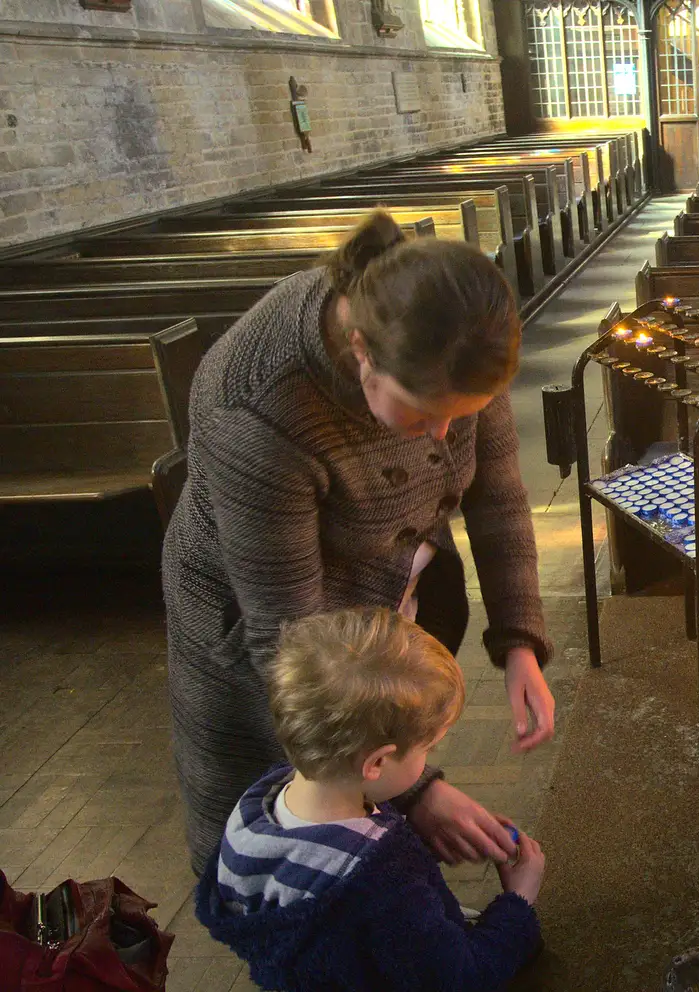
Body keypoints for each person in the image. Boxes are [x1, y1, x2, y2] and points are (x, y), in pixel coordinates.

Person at [163, 212, 556, 875]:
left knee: (385, 789)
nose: (441, 436)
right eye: (422, 414)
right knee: (305, 835)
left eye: (460, 415)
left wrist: (519, 640)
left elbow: (498, 496)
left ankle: (398, 917)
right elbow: (296, 650)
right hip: (266, 640)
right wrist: (416, 789)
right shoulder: (259, 406)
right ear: (360, 352)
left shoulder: (458, 330)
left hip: (377, 596)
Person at [195, 609, 545, 992]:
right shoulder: (384, 883)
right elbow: (463, 977)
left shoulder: (253, 811)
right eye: (429, 746)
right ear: (376, 762)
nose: (432, 755)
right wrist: (517, 902)